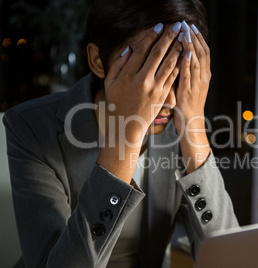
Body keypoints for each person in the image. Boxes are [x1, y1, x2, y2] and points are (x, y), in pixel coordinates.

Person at [3, 0, 239, 267]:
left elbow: (230, 259)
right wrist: (126, 133)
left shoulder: (180, 119)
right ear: (97, 61)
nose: (170, 99)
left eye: (180, 75)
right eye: (149, 71)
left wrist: (194, 130)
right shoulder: (29, 126)